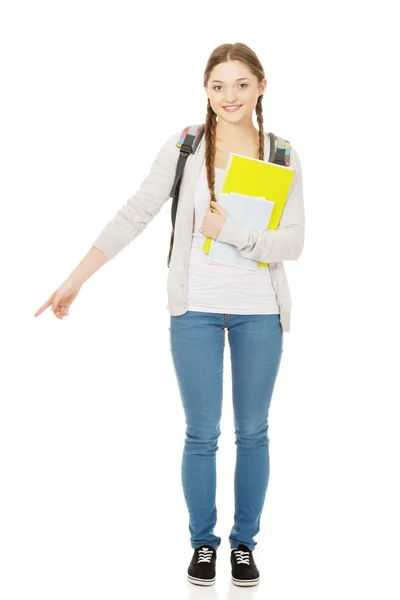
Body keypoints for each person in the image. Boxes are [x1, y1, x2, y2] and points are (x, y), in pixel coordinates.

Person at [34, 42, 305, 588]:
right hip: (196, 311)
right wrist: (75, 280)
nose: (229, 96)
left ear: (261, 86)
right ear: (206, 90)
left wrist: (229, 232)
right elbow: (135, 213)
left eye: (241, 84)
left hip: (260, 314)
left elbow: (293, 243)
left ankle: (244, 545)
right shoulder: (186, 146)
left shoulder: (279, 153)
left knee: (252, 432)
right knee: (202, 433)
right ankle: (203, 544)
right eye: (217, 86)